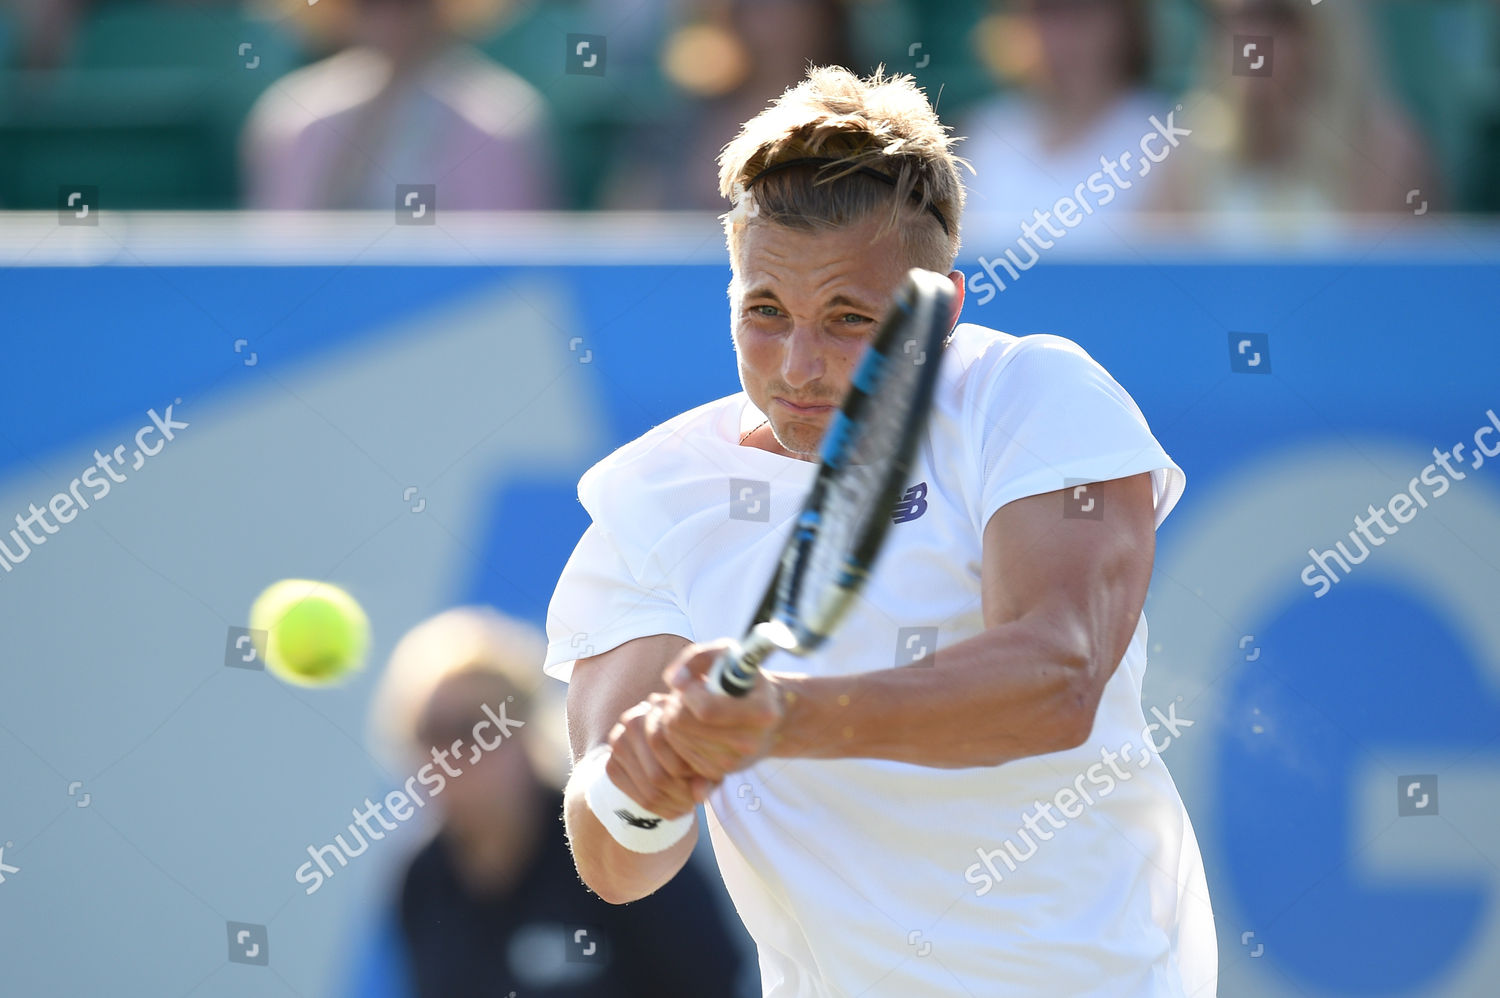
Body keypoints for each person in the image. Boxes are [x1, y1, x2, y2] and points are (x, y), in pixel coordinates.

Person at [544, 66, 1216, 997]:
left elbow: (1056, 681)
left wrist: (780, 719)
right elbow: (615, 866)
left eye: (849, 320)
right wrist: (644, 787)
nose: (800, 365)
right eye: (764, 313)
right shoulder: (647, 497)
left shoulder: (1033, 396)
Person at [347, 606, 749, 997]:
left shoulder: (609, 840)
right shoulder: (421, 881)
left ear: (524, 733)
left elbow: (714, 981)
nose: (448, 754)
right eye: (429, 731)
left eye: (471, 728)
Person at [240, 0, 556, 211]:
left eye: (408, 4)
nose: (390, 17)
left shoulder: (497, 116)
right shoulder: (294, 116)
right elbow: (283, 252)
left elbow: (507, 262)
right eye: (371, 4)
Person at [1150, 0, 1440, 225]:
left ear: (1323, 32)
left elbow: (1377, 290)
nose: (1247, 39)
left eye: (1272, 16)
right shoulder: (1189, 151)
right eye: (1232, 20)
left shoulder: (1385, 151)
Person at [960, 0, 1169, 226]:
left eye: (1081, 14)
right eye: (1046, 13)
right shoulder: (984, 135)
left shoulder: (1161, 146)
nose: (1062, 33)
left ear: (1123, 23)